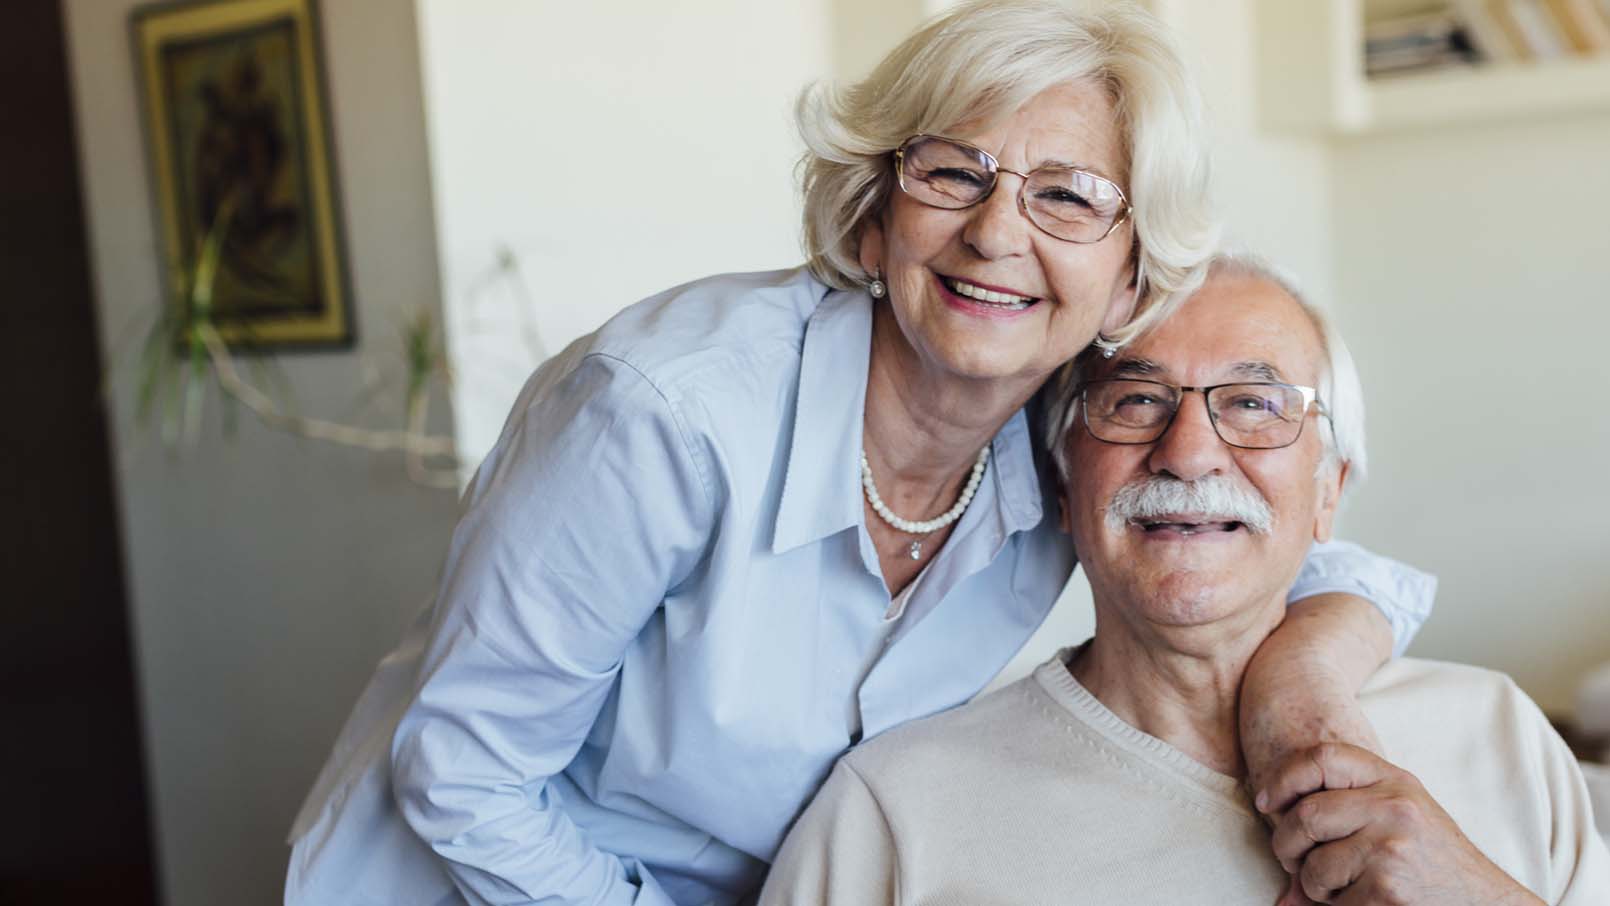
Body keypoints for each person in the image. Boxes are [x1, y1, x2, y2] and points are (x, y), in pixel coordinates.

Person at [283, 4, 1436, 905]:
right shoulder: (663, 416)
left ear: (1129, 275)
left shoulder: (1060, 427)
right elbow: (465, 772)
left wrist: (1298, 696)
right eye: (951, 173)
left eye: (1068, 197)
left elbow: (1266, 534)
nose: (996, 232)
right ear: (878, 211)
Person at [757, 255, 1610, 905]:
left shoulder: (1495, 729)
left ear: (1329, 494)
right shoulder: (894, 815)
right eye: (1134, 401)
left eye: (1253, 404)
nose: (1191, 451)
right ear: (1061, 485)